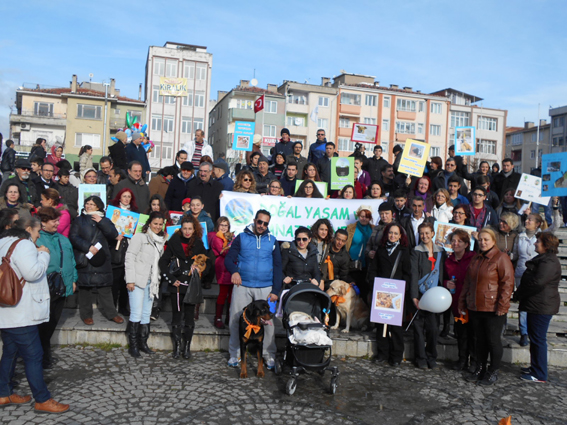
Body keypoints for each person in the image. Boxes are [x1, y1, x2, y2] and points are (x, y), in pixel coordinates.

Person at [0, 217, 70, 413]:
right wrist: (43, 255)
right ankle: (42, 399)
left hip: (6, 310)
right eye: (37, 231)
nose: (39, 235)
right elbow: (33, 273)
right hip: (21, 312)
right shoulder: (24, 244)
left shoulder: (2, 242)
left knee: (10, 353)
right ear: (28, 229)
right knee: (34, 355)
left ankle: (3, 393)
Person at [224, 209, 281, 368]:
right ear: (255, 220)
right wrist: (234, 271)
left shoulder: (272, 240)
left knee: (269, 323)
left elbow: (278, 266)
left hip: (266, 287)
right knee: (236, 319)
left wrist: (276, 290)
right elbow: (229, 258)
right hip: (243, 285)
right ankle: (234, 354)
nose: (262, 225)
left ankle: (268, 355)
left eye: (265, 223)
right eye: (259, 222)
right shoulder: (241, 238)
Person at [459, 228, 514, 385]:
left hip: (493, 308)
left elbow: (507, 283)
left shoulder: (501, 258)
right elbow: (468, 282)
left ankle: (493, 371)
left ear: (493, 241)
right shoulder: (476, 258)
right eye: (480, 239)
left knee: (492, 340)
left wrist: (502, 306)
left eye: (486, 240)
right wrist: (463, 301)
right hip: (476, 306)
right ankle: (480, 369)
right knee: (480, 341)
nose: (482, 242)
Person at [514, 233, 561, 383]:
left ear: (546, 245)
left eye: (538, 242)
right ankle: (535, 367)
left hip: (541, 305)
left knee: (538, 339)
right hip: (538, 304)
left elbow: (537, 283)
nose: (535, 244)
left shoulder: (549, 262)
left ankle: (539, 373)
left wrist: (519, 294)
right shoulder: (545, 260)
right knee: (535, 338)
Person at [68, 196, 123, 325]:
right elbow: (74, 237)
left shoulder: (105, 220)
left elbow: (113, 234)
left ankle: (112, 313)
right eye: (87, 204)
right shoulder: (79, 220)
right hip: (86, 257)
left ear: (98, 206)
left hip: (102, 257)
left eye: (92, 204)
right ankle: (86, 315)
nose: (88, 206)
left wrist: (101, 222)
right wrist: (87, 247)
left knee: (105, 288)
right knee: (85, 289)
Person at [36, 208, 77, 369]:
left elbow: (71, 261)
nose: (58, 224)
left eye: (58, 220)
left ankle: (43, 352)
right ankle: (42, 355)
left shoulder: (63, 239)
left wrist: (73, 279)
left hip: (62, 286)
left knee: (53, 321)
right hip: (45, 288)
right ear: (43, 223)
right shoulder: (37, 240)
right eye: (54, 221)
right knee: (43, 324)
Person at [367, 223, 412, 367]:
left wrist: (400, 288)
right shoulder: (380, 251)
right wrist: (376, 284)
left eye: (395, 233)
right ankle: (382, 353)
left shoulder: (404, 252)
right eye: (390, 233)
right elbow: (373, 270)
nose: (392, 236)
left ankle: (396, 356)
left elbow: (407, 273)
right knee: (381, 325)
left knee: (396, 327)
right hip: (381, 293)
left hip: (396, 294)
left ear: (400, 236)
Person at [124, 211, 166, 358]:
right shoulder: (140, 237)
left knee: (146, 314)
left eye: (160, 224)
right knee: (136, 312)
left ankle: (143, 343)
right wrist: (130, 279)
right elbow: (130, 257)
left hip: (152, 282)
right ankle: (133, 346)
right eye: (155, 224)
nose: (158, 227)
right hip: (137, 280)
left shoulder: (161, 241)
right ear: (149, 223)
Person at [410, 222, 445, 369]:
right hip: (420, 295)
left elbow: (442, 272)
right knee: (418, 329)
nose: (424, 236)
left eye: (427, 233)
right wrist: (414, 296)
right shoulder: (416, 251)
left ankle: (432, 356)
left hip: (435, 298)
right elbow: (413, 274)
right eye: (422, 233)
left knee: (433, 329)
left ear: (432, 234)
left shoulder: (440, 252)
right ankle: (420, 358)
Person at [443, 230, 476, 371]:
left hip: (472, 301)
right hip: (457, 302)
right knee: (461, 333)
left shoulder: (474, 258)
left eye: (459, 241)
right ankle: (462, 360)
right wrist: (446, 283)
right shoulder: (448, 261)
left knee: (473, 334)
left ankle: (474, 362)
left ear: (466, 244)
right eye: (453, 241)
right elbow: (443, 278)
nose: (455, 244)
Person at [209, 217, 234, 329]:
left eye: (226, 225)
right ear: (218, 226)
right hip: (223, 267)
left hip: (232, 268)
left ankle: (229, 317)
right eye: (222, 225)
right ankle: (218, 318)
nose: (224, 227)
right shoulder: (216, 238)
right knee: (223, 294)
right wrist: (232, 248)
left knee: (232, 295)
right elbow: (224, 252)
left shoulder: (232, 237)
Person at [346, 205, 375, 302]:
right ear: (358, 216)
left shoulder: (373, 229)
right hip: (352, 264)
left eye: (367, 217)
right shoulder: (351, 228)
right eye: (362, 216)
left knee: (365, 290)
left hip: (367, 265)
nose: (364, 219)